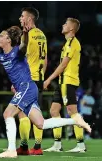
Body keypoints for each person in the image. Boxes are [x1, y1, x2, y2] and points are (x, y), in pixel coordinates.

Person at [0, 25, 91, 158]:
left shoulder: (17, 51)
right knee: (41, 124)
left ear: (8, 40)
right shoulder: (0, 56)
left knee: (8, 113)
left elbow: (24, 45)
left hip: (26, 87)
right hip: (28, 89)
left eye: (1, 36)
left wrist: (24, 33)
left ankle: (11, 150)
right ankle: (74, 120)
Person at [43, 18, 86, 153]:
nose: (63, 25)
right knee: (54, 111)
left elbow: (63, 65)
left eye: (66, 24)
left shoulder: (73, 43)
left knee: (72, 112)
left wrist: (48, 79)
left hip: (68, 81)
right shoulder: (68, 43)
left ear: (71, 29)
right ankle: (57, 145)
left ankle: (80, 145)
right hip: (63, 82)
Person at [13, 7, 47, 155]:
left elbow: (20, 59)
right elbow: (45, 60)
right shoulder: (42, 35)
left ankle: (25, 146)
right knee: (36, 111)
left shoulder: (27, 36)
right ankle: (37, 147)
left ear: (29, 18)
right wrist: (42, 77)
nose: (20, 19)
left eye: (22, 16)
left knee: (22, 113)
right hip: (39, 78)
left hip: (28, 79)